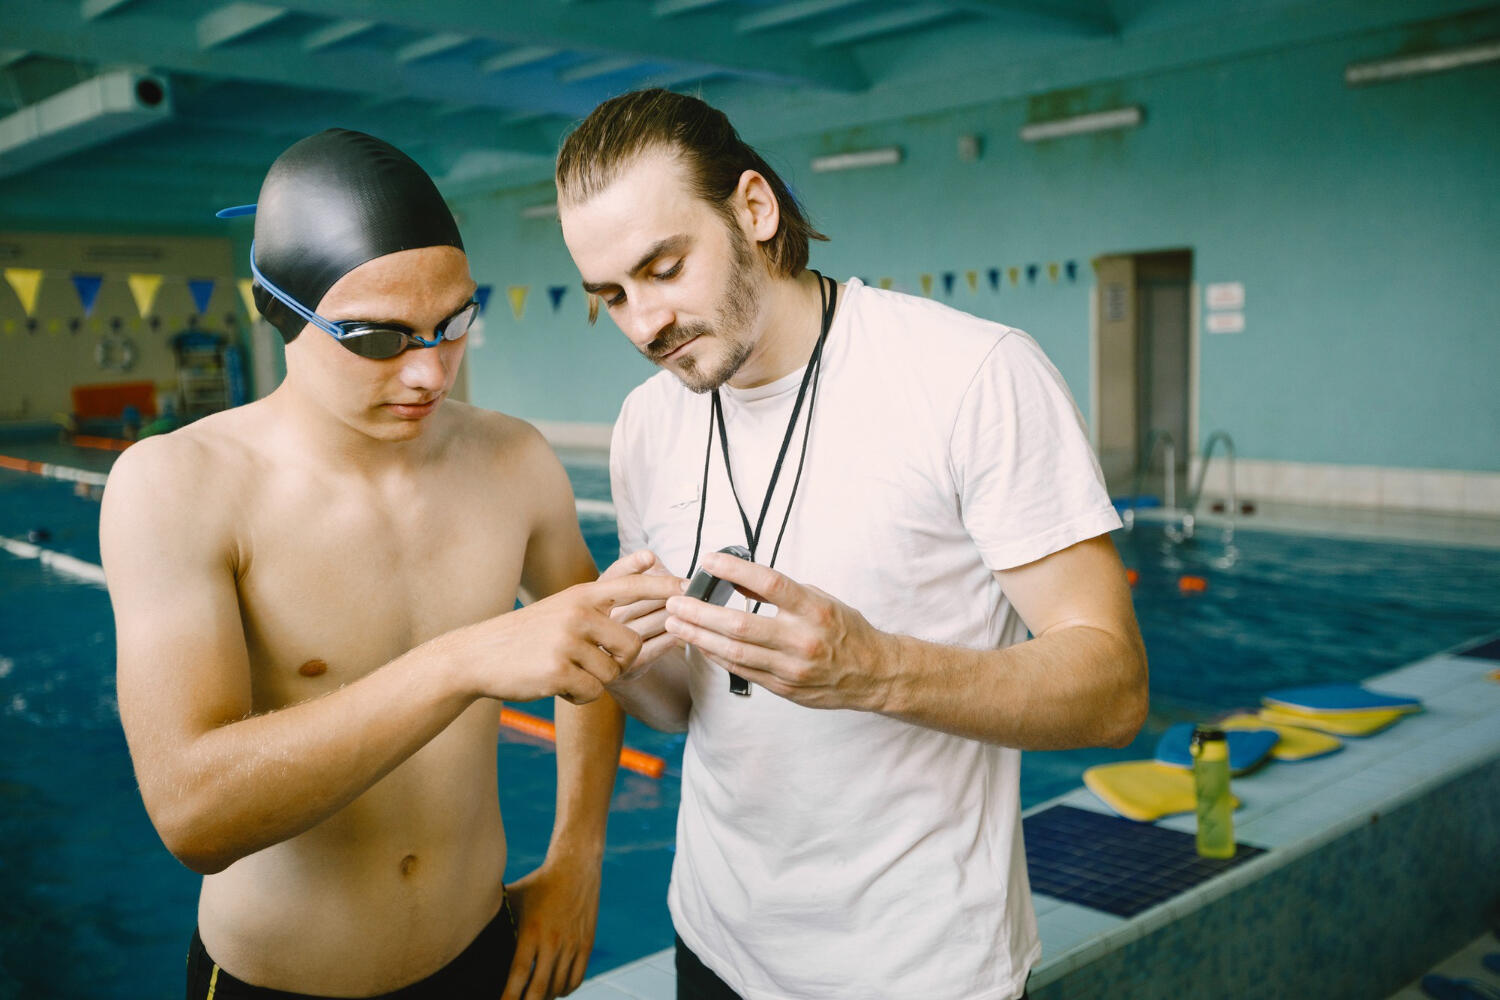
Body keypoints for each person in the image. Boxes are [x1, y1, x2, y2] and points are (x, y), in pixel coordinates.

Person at [554, 90, 1150, 1000]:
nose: (644, 325)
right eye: (612, 297)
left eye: (665, 268)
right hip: (713, 942)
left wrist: (875, 669)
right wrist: (622, 659)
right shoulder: (646, 425)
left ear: (754, 210)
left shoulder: (970, 377)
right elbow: (686, 708)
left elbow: (1113, 690)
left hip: (919, 971)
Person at [100, 129, 684, 1000]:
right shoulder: (178, 486)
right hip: (279, 982)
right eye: (378, 337)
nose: (429, 370)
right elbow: (192, 816)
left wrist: (577, 859)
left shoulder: (512, 460)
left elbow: (588, 654)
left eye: (453, 325)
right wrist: (458, 662)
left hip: (486, 955)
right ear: (280, 310)